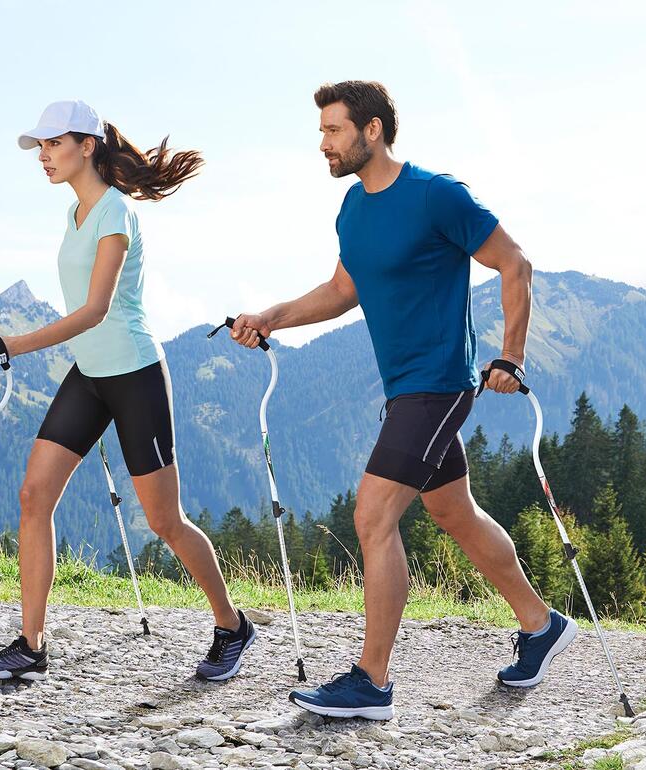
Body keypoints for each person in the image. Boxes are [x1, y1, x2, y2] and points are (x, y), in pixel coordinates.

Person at [230, 81, 576, 720]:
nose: (324, 145)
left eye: (333, 131)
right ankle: (540, 623)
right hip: (404, 390)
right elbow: (342, 290)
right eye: (322, 133)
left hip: (441, 382)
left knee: (372, 516)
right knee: (455, 513)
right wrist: (272, 316)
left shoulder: (436, 196)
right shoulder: (353, 210)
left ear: (373, 130)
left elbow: (515, 264)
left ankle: (373, 680)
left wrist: (512, 355)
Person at [0, 100, 255, 683]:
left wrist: (14, 343)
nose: (44, 156)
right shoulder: (75, 214)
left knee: (165, 520)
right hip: (89, 374)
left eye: (53, 144)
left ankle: (232, 625)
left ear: (88, 145)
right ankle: (32, 642)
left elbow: (97, 310)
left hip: (133, 373)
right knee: (33, 496)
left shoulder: (115, 214)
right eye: (40, 147)